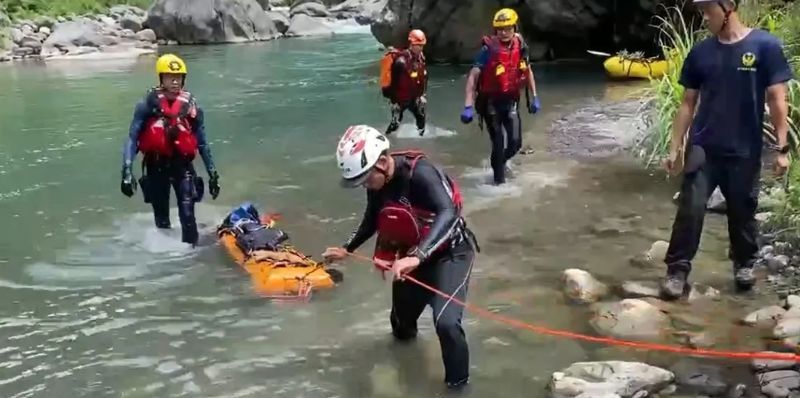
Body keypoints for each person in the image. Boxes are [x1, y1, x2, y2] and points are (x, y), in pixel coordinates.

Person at [322, 125, 479, 389]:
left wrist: (417, 256)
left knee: (447, 324)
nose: (365, 185)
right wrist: (347, 248)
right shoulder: (377, 181)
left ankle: (458, 387)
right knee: (400, 324)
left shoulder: (421, 175)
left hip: (452, 254)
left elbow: (448, 214)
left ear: (382, 162)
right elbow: (372, 217)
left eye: (365, 179)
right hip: (413, 256)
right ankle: (407, 370)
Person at [660, 0, 793, 299]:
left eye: (708, 10)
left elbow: (776, 99)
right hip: (703, 149)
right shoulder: (701, 53)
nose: (704, 16)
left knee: (743, 211)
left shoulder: (764, 46)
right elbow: (687, 103)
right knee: (690, 210)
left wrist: (782, 149)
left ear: (729, 7)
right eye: (701, 11)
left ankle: (744, 264)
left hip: (744, 149)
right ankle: (677, 271)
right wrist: (674, 148)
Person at [120, 53, 221, 246]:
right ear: (161, 79)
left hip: (182, 167)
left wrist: (213, 173)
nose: (175, 82)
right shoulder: (146, 106)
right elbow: (132, 138)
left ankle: (191, 256)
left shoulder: (192, 109)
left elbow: (202, 143)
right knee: (162, 218)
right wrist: (126, 170)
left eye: (179, 78)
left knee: (187, 214)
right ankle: (166, 253)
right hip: (155, 166)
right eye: (169, 77)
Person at [460, 8, 541, 185]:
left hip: (510, 101)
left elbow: (527, 71)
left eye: (508, 28)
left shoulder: (521, 46)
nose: (504, 33)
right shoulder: (487, 50)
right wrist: (468, 105)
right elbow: (473, 76)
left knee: (515, 143)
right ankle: (498, 184)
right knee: (497, 142)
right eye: (500, 29)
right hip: (490, 103)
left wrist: (534, 96)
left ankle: (500, 163)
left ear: (514, 28)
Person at [382, 29, 428, 136]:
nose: (420, 48)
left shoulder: (420, 58)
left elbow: (424, 76)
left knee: (421, 119)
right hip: (400, 99)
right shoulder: (400, 62)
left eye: (422, 45)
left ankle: (421, 139)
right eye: (418, 45)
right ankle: (387, 138)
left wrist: (422, 95)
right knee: (395, 123)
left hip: (414, 97)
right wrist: (394, 101)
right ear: (411, 44)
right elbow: (393, 83)